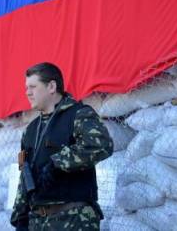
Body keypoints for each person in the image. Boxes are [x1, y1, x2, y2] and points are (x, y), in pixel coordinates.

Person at [10, 62, 113, 231]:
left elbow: (101, 145)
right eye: (26, 87)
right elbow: (25, 175)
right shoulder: (30, 130)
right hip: (38, 221)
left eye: (33, 87)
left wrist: (57, 163)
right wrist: (20, 218)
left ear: (51, 86)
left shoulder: (79, 114)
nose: (27, 92)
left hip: (74, 218)